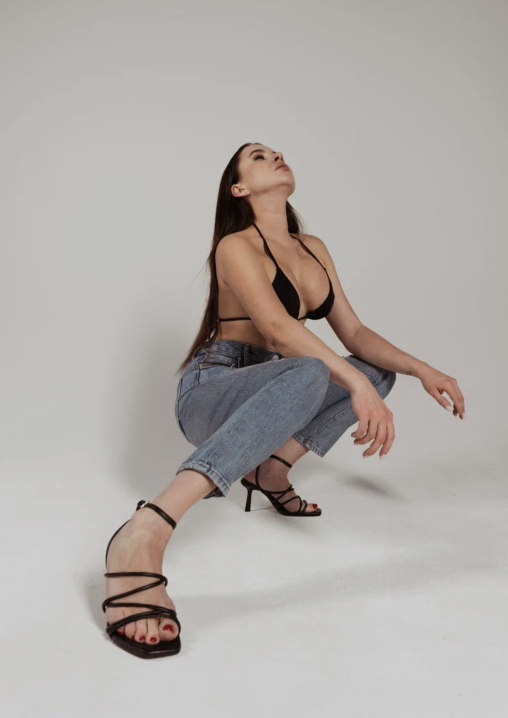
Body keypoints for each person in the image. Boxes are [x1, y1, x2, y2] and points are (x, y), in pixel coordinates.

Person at [102, 142, 466, 659]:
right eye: (257, 156)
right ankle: (147, 528)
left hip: (281, 384)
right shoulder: (234, 246)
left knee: (376, 368)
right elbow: (277, 329)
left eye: (275, 151)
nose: (275, 155)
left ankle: (270, 470)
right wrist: (355, 387)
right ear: (239, 188)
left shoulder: (312, 248)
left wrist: (421, 369)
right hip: (215, 388)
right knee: (318, 370)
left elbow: (355, 334)